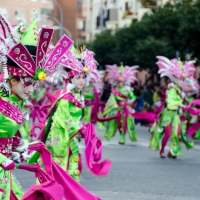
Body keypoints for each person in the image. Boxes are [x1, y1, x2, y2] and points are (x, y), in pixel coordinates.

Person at [0, 14, 73, 199]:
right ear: (13, 79)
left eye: (34, 83)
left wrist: (18, 146)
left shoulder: (17, 101)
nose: (31, 89)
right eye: (27, 83)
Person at [31, 45, 111, 182]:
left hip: (71, 138)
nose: (81, 80)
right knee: (60, 169)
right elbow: (61, 119)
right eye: (78, 77)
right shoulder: (67, 97)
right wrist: (79, 128)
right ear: (70, 79)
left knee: (73, 168)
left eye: (83, 77)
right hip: (62, 139)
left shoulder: (78, 95)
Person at [149, 56, 199, 158]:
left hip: (176, 114)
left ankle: (172, 151)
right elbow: (170, 102)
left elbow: (184, 102)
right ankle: (162, 150)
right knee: (167, 134)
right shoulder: (171, 89)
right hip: (168, 114)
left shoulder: (181, 91)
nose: (182, 81)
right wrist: (181, 105)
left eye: (183, 79)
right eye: (180, 79)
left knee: (176, 134)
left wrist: (190, 106)